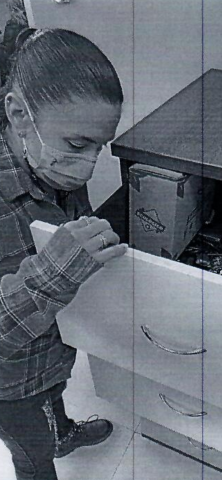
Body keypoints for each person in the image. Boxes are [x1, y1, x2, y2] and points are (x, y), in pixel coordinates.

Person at [0, 27, 127, 480]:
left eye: (100, 145)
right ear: (18, 113)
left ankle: (63, 431)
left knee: (54, 398)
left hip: (51, 353)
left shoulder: (53, 162)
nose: (90, 163)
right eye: (78, 145)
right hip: (9, 385)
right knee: (34, 461)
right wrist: (56, 271)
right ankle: (46, 449)